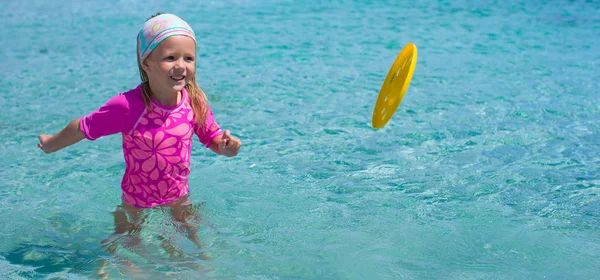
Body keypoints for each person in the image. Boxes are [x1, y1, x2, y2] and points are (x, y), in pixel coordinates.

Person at [37, 13, 241, 274]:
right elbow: (84, 126)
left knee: (193, 240)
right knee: (125, 241)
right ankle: (106, 268)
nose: (181, 66)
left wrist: (224, 147)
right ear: (147, 63)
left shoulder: (194, 100)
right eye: (170, 58)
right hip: (137, 197)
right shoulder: (129, 106)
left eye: (188, 58)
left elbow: (210, 135)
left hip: (178, 194)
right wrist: (52, 143)